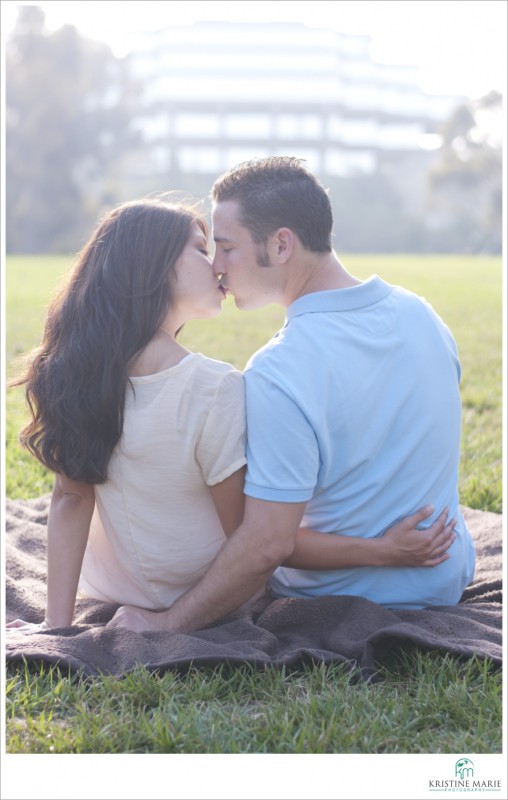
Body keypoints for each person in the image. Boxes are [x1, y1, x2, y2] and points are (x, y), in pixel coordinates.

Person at [6, 196, 454, 634]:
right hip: (208, 597)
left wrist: (55, 624)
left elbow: (71, 498)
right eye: (202, 249)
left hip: (109, 588)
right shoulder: (212, 387)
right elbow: (253, 541)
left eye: (221, 247)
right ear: (155, 267)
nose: (217, 265)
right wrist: (381, 549)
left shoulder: (78, 372)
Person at [102, 157, 475, 635]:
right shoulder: (423, 314)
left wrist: (169, 622)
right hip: (443, 577)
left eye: (227, 247)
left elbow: (266, 545)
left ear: (281, 244)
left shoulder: (279, 370)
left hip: (340, 596)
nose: (216, 266)